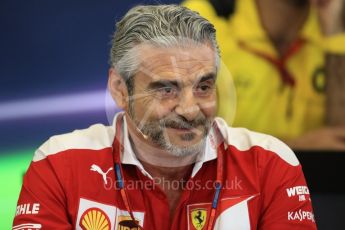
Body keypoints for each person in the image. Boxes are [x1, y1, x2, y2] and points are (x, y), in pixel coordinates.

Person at [13, 4, 316, 229]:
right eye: (166, 89)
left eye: (204, 86)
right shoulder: (58, 163)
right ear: (120, 89)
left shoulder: (271, 163)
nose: (189, 109)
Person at [183, 0, 345, 150]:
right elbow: (181, 144)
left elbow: (338, 145)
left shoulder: (333, 22)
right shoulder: (200, 19)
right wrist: (295, 148)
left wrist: (336, 35)